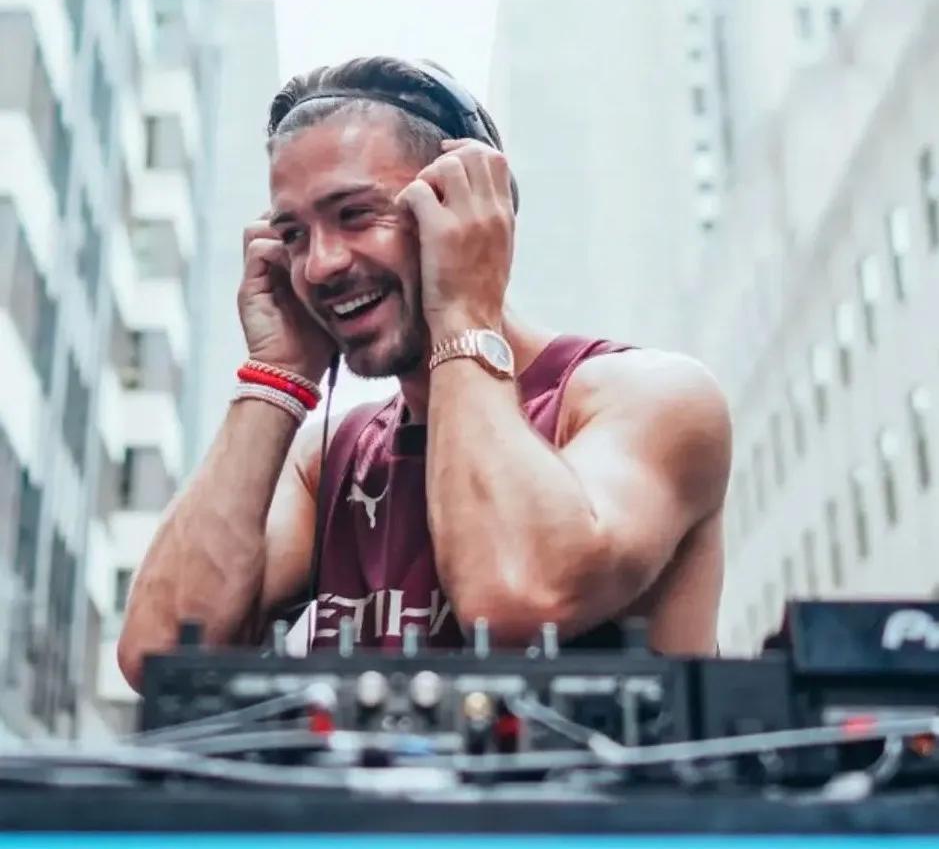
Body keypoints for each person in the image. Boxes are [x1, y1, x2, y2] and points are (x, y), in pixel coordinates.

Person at [117, 57, 732, 691]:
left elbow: (516, 596)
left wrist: (463, 313)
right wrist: (275, 375)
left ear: (468, 211)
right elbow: (162, 657)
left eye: (355, 214)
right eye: (294, 235)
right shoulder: (329, 462)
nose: (319, 266)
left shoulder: (651, 398)